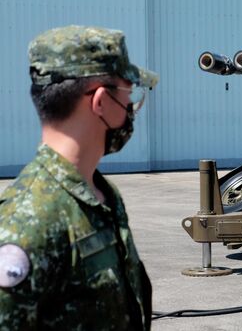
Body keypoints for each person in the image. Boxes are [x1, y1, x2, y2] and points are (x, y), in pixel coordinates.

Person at [0, 25, 158, 329]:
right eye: (128, 92)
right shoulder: (26, 221)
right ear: (100, 101)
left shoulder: (101, 193)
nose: (131, 107)